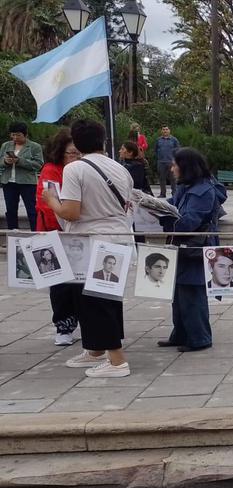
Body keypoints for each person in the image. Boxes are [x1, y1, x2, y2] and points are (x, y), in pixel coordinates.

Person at [40, 119, 133, 378]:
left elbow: (71, 212)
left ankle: (117, 361)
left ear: (77, 143)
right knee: (109, 299)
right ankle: (96, 350)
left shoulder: (75, 169)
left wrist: (52, 201)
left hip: (92, 241)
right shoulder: (118, 167)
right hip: (119, 237)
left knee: (94, 302)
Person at [160, 147, 227, 353]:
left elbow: (188, 221)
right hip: (183, 246)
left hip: (196, 248)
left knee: (192, 292)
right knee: (179, 293)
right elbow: (174, 205)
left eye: (175, 164)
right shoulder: (188, 187)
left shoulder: (203, 191)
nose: (172, 168)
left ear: (186, 167)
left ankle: (199, 338)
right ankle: (180, 333)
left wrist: (165, 217)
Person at [35, 128, 81, 346]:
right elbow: (47, 204)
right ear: (60, 152)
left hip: (79, 231)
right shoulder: (52, 171)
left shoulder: (82, 169)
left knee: (80, 283)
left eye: (79, 153)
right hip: (56, 233)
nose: (76, 157)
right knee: (60, 284)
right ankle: (63, 326)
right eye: (72, 153)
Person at [2, 122, 44, 230]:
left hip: (27, 183)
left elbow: (39, 164)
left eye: (18, 135)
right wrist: (6, 161)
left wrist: (20, 161)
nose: (15, 137)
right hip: (9, 182)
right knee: (11, 210)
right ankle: (13, 233)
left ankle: (36, 232)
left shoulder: (34, 147)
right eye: (13, 135)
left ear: (25, 135)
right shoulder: (6, 145)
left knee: (31, 209)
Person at [154, 125, 180, 197]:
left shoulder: (174, 140)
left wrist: (175, 160)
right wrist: (159, 158)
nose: (165, 131)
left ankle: (174, 194)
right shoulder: (158, 140)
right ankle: (162, 193)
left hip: (171, 162)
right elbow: (155, 150)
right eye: (163, 129)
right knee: (162, 178)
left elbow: (178, 150)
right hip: (161, 162)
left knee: (173, 179)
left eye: (166, 129)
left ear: (169, 130)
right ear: (161, 131)